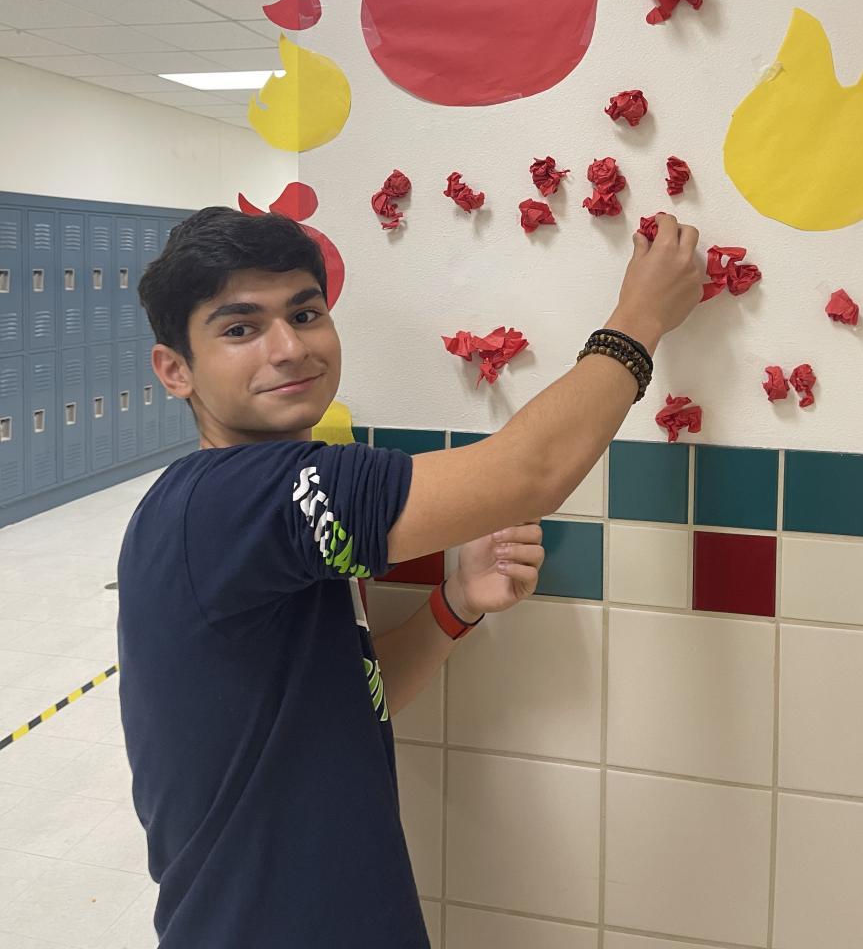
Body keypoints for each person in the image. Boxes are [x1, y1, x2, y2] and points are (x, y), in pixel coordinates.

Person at [120, 205, 702, 948]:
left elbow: (352, 700)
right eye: (240, 329)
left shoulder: (248, 516)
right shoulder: (240, 499)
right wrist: (642, 317)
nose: (289, 347)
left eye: (305, 313)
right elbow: (530, 473)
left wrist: (454, 605)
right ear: (175, 370)